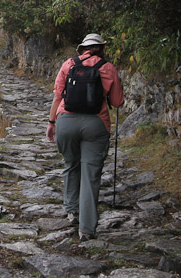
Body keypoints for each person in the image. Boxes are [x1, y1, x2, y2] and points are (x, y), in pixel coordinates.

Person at [46, 33, 124, 242]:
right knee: (90, 175)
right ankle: (87, 229)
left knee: (71, 164)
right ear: (101, 48)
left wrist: (51, 123)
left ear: (83, 48)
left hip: (66, 122)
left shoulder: (68, 64)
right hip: (95, 124)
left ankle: (71, 211)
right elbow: (116, 102)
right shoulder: (108, 68)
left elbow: (57, 96)